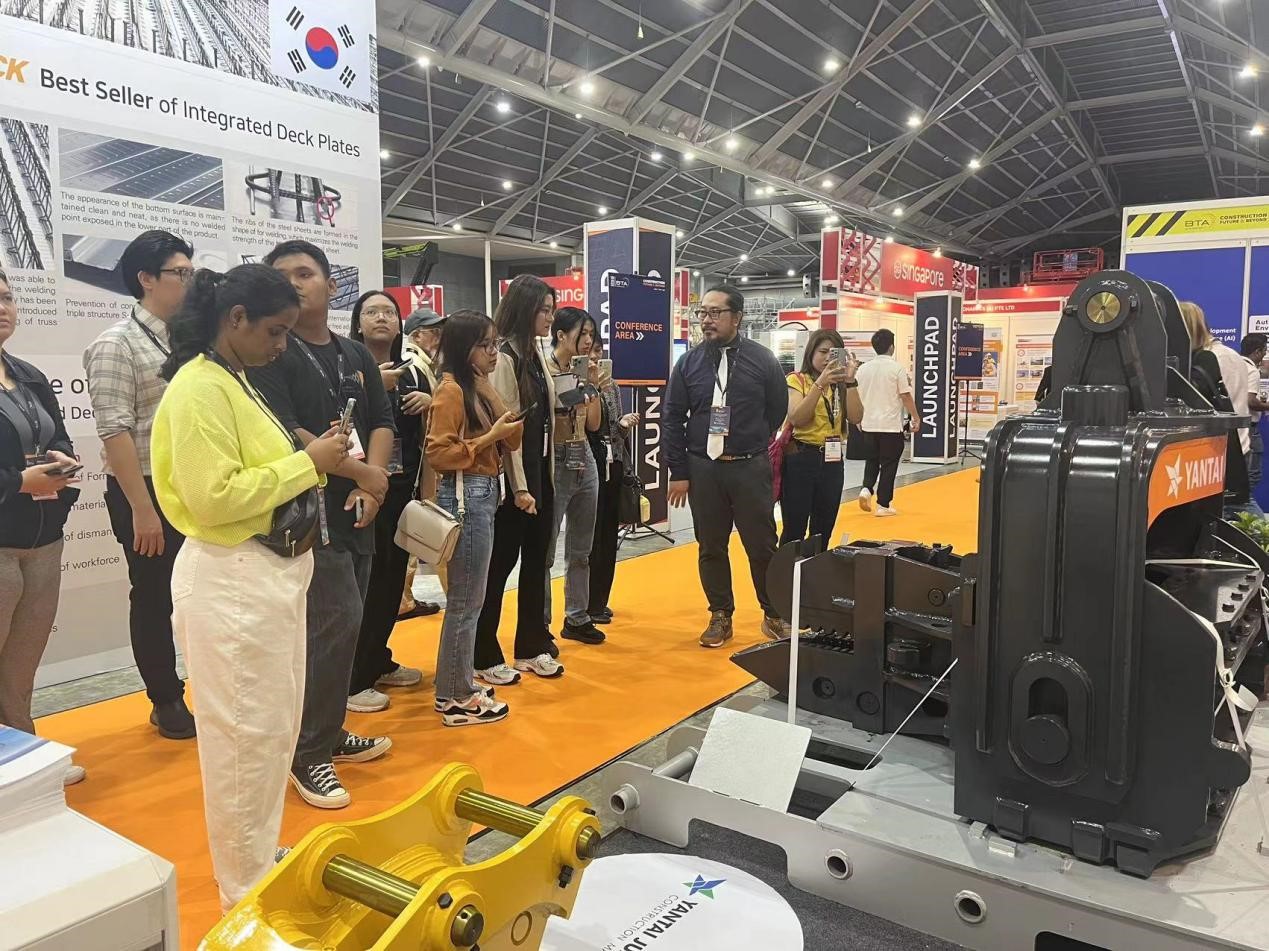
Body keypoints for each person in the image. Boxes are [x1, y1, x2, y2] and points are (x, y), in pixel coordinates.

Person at [151, 264, 349, 910]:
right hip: (231, 578)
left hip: (265, 577)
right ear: (235, 319)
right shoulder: (198, 387)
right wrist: (306, 464)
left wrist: (308, 459)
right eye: (275, 331)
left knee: (270, 731)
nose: (281, 345)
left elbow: (253, 473)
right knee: (243, 739)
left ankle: (256, 855)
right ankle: (243, 893)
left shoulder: (232, 378)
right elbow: (213, 498)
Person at [248, 240, 394, 809]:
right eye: (283, 275)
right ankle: (308, 753)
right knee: (333, 624)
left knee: (345, 629)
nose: (295, 283)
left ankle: (329, 732)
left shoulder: (353, 353)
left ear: (332, 286)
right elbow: (287, 432)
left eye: (305, 273)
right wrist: (364, 474)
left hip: (358, 509)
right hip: (308, 516)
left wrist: (371, 483)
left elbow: (380, 420)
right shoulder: (270, 354)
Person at [83, 230, 196, 740]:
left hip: (191, 484)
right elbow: (115, 431)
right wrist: (142, 510)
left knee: (195, 591)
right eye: (179, 273)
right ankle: (165, 697)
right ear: (146, 278)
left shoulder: (189, 341)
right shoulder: (116, 343)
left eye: (191, 272)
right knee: (153, 595)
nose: (188, 281)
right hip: (144, 489)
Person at [664, 284, 791, 649]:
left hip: (749, 467)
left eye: (715, 312)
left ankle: (773, 613)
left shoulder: (763, 360)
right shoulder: (688, 363)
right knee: (710, 546)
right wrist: (679, 472)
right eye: (702, 313)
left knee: (762, 545)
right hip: (704, 469)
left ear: (737, 317)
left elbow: (776, 410)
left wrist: (750, 440)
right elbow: (673, 417)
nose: (706, 320)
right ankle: (720, 614)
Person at [0, 271, 85, 785]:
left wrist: (62, 462)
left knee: (22, 661)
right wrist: (17, 482)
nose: (3, 307)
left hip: (43, 540)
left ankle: (23, 753)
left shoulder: (26, 374)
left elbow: (63, 437)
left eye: (7, 297)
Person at [426, 310, 524, 725]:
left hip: (483, 493)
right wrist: (488, 438)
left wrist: (488, 392)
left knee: (470, 600)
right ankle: (454, 696)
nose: (493, 352)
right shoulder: (451, 391)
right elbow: (438, 453)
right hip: (465, 494)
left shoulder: (476, 387)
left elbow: (514, 437)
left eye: (495, 344)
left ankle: (457, 683)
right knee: (465, 602)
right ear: (464, 347)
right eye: (485, 345)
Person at [475, 275, 563, 683]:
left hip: (541, 474)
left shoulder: (535, 354)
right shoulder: (505, 357)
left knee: (535, 564)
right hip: (513, 484)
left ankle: (530, 645)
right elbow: (505, 429)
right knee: (498, 569)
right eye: (544, 310)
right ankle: (482, 653)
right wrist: (520, 488)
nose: (549, 317)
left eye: (552, 310)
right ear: (525, 309)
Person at [345, 292, 428, 713]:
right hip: (360, 490)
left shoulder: (412, 372)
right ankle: (353, 678)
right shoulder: (346, 368)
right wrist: (373, 386)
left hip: (402, 489)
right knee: (365, 584)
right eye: (372, 312)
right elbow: (339, 424)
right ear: (358, 323)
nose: (382, 318)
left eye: (390, 312)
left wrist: (428, 402)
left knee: (393, 582)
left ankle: (377, 658)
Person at [543, 307, 605, 645]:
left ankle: (577, 616)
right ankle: (540, 624)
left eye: (591, 334)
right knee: (546, 550)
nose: (588, 340)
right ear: (561, 335)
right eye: (583, 333)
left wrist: (591, 387)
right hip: (555, 458)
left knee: (582, 547)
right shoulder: (545, 368)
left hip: (584, 455)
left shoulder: (583, 371)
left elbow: (593, 424)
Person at [781, 330, 863, 547]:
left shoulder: (842, 384)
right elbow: (797, 418)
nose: (828, 358)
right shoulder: (797, 380)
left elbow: (856, 417)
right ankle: (789, 567)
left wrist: (850, 381)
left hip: (832, 461)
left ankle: (816, 565)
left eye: (834, 353)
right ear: (811, 353)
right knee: (794, 527)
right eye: (823, 352)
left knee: (824, 526)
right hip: (801, 457)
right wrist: (820, 384)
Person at [1179, 302, 1255, 514]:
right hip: (1234, 443)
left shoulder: (1210, 358)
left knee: (1238, 507)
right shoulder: (1226, 354)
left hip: (1223, 447)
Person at [586, 335, 638, 624]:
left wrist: (624, 424)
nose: (595, 358)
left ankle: (599, 601)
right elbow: (587, 427)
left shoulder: (613, 387)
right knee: (590, 538)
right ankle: (584, 604)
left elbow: (616, 432)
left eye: (599, 351)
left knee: (608, 536)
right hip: (588, 466)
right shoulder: (579, 386)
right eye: (590, 352)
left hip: (613, 464)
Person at [399, 308, 447, 618]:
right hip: (418, 464)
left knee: (415, 528)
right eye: (435, 332)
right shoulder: (413, 366)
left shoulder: (422, 365)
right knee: (425, 527)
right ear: (417, 335)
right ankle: (403, 599)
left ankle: (403, 598)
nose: (440, 338)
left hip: (418, 464)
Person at [855, 329, 921, 518]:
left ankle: (866, 489)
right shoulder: (897, 369)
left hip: (868, 424)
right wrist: (915, 417)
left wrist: (858, 419)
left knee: (872, 459)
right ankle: (883, 504)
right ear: (892, 346)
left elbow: (857, 395)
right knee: (889, 464)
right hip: (890, 426)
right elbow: (905, 396)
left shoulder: (863, 369)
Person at [1241, 334, 1269, 491]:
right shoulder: (1252, 371)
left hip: (1235, 428)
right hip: (1249, 429)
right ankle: (1246, 503)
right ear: (1257, 351)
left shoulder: (1234, 366)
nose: (1265, 354)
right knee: (1252, 475)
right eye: (1264, 350)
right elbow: (1251, 401)